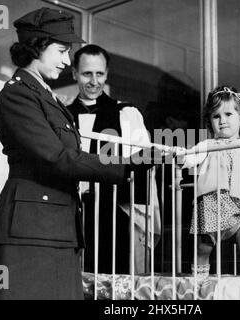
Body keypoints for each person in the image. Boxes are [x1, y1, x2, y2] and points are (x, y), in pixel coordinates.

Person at [0, 7, 159, 300]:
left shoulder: (43, 94)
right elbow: (57, 157)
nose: (67, 61)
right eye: (62, 50)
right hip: (31, 230)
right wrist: (126, 165)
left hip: (56, 227)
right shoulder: (18, 94)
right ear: (37, 46)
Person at [67, 44, 161, 274]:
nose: (94, 81)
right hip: (72, 210)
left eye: (100, 74)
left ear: (107, 74)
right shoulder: (62, 115)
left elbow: (145, 157)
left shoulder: (126, 114)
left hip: (117, 210)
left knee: (118, 278)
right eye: (87, 73)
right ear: (74, 73)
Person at [178, 85, 240, 279]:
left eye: (228, 114)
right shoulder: (207, 145)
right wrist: (180, 158)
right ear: (210, 121)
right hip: (211, 205)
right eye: (216, 116)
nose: (222, 120)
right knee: (203, 247)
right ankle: (198, 283)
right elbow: (190, 158)